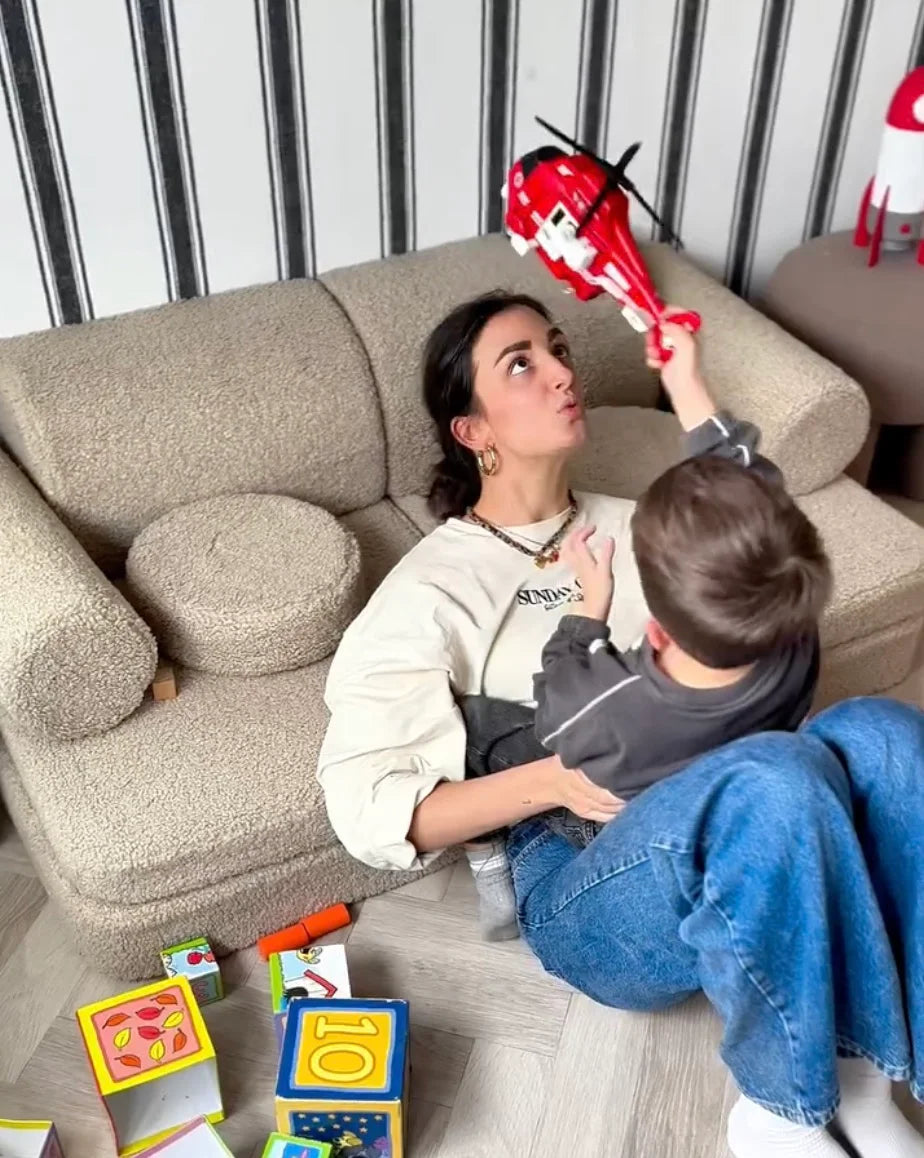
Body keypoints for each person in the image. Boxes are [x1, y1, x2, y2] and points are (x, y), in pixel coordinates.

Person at [317, 290, 924, 1158]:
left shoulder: (642, 526)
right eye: (521, 362)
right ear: (472, 430)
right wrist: (559, 780)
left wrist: (690, 383)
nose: (564, 373)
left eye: (558, 349)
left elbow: (752, 504)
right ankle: (776, 1114)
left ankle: (866, 1080)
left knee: (884, 735)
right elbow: (370, 812)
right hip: (582, 877)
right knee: (776, 776)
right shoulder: (434, 585)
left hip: (735, 812)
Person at [460, 437, 831, 939]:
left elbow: (553, 710)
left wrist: (591, 603)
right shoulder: (797, 646)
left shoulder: (612, 698)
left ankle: (492, 870)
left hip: (619, 825)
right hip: (704, 801)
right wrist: (686, 378)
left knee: (472, 723)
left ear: (655, 631)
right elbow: (758, 492)